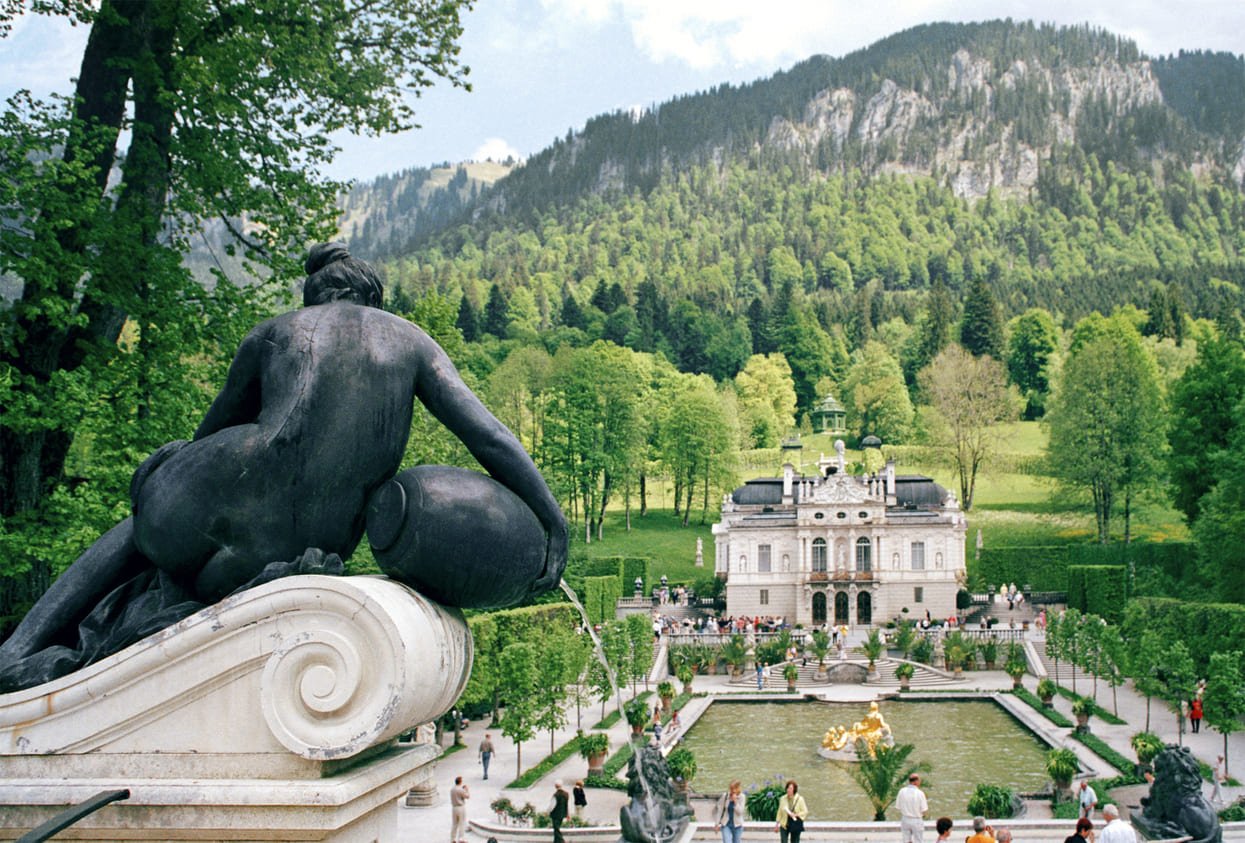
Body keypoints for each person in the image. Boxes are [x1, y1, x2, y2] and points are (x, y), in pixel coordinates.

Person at [0, 243, 569, 691]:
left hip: (205, 498)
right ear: (371, 297)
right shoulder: (408, 341)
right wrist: (550, 518)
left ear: (314, 294)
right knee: (174, 565)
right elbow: (490, 438)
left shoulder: (274, 331)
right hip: (293, 546)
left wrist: (171, 474)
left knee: (142, 531)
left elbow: (211, 434)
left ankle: (17, 652)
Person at [897, 773, 929, 843]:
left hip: (905, 819)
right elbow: (924, 810)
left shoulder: (902, 791)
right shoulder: (920, 793)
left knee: (906, 840)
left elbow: (898, 807)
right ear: (916, 781)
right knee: (918, 840)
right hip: (916, 820)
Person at [774, 779, 808, 843]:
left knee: (795, 841)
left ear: (794, 790)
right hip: (784, 824)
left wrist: (795, 814)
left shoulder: (800, 799)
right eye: (787, 788)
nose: (788, 790)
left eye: (790, 788)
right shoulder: (782, 798)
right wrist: (777, 824)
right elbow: (779, 812)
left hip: (795, 824)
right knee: (783, 841)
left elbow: (805, 811)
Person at [449, 776, 469, 843]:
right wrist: (466, 790)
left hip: (454, 808)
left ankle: (453, 839)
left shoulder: (452, 789)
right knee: (461, 823)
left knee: (454, 823)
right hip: (460, 807)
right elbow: (467, 796)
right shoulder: (460, 790)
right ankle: (461, 838)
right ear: (460, 782)